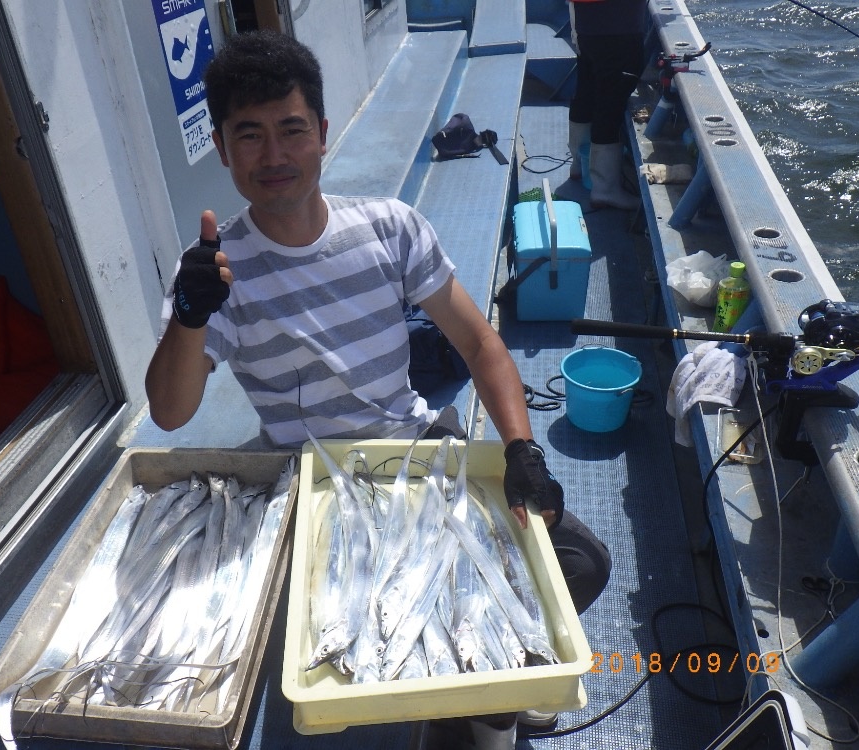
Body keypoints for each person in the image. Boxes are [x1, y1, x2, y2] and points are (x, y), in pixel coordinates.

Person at [145, 29, 610, 749]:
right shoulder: (214, 271)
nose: (274, 155)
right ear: (224, 149)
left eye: (292, 130)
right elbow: (171, 412)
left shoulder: (391, 227)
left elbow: (479, 343)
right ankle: (483, 696)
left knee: (580, 563)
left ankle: (490, 702)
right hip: (311, 482)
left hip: (417, 452)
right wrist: (190, 314)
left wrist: (522, 448)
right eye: (250, 136)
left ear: (323, 133)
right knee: (328, 636)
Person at [566, 0, 648, 209]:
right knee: (610, 105)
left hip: (585, 26)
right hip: (618, 30)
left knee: (586, 93)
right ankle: (605, 188)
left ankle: (579, 164)